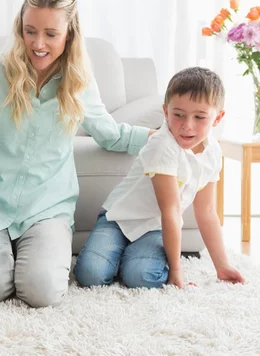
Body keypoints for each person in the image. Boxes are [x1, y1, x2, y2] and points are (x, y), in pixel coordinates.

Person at [0, 0, 153, 308]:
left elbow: (110, 134)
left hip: (47, 206)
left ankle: (29, 257)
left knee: (42, 293)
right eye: (30, 30)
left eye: (51, 34)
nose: (38, 43)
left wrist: (162, 138)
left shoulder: (79, 82)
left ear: (69, 34)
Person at [73, 67, 245, 289]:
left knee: (141, 277)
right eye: (178, 115)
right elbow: (170, 211)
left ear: (217, 118)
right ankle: (114, 254)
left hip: (155, 228)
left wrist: (222, 266)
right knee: (91, 275)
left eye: (200, 117)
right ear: (166, 112)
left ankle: (129, 259)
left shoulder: (213, 152)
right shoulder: (163, 145)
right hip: (118, 220)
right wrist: (176, 270)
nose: (187, 125)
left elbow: (207, 211)